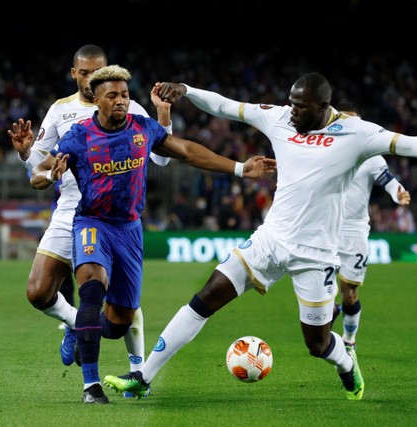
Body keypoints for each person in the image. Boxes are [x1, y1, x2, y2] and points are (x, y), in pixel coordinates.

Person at [103, 73, 417, 401]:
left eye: (301, 106)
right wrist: (186, 90)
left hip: (317, 254)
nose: (292, 111)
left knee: (317, 344)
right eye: (290, 103)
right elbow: (227, 106)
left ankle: (346, 361)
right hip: (270, 239)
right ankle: (144, 377)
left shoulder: (357, 133)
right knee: (206, 296)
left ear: (324, 107)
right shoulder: (280, 119)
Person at [29, 64, 276, 404]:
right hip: (92, 223)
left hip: (129, 230)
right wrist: (50, 175)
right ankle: (91, 386)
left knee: (117, 323)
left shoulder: (143, 128)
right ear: (96, 100)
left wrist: (238, 168)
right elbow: (38, 173)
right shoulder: (80, 136)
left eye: (125, 95)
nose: (120, 101)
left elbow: (187, 151)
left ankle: (78, 327)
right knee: (90, 290)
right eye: (112, 95)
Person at [7, 45, 172, 392]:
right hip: (70, 209)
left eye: (96, 72)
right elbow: (39, 169)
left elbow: (162, 159)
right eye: (84, 73)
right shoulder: (59, 110)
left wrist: (164, 116)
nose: (90, 78)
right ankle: (74, 323)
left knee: (121, 299)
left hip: (113, 214)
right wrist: (25, 153)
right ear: (75, 74)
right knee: (38, 292)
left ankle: (136, 369)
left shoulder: (130, 107)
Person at [331, 101, 411, 349]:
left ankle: (349, 340)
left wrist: (398, 193)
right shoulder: (325, 152)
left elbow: (388, 181)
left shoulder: (371, 157)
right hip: (324, 228)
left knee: (349, 292)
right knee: (317, 286)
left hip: (354, 232)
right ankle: (325, 315)